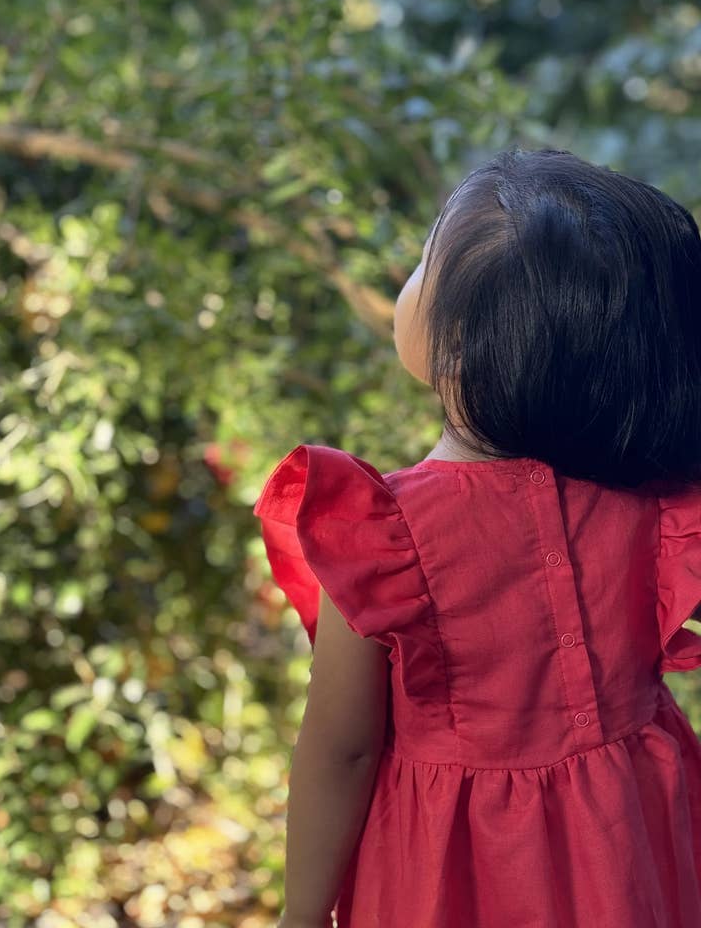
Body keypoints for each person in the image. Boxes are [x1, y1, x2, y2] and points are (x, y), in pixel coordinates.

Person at [252, 147, 701, 927]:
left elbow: (342, 751)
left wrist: (300, 915)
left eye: (424, 265)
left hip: (448, 875)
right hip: (635, 837)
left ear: (458, 344)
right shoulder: (656, 500)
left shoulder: (377, 535)